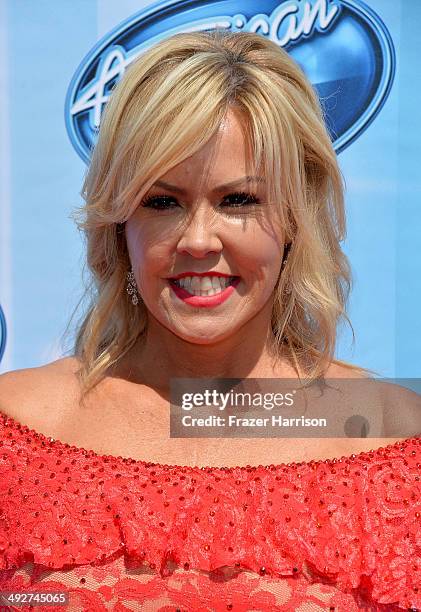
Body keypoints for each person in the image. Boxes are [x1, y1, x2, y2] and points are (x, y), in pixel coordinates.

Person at [0, 29, 419, 612]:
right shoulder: (15, 434)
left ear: (297, 215)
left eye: (239, 201)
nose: (197, 240)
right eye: (162, 202)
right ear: (119, 225)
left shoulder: (401, 445)